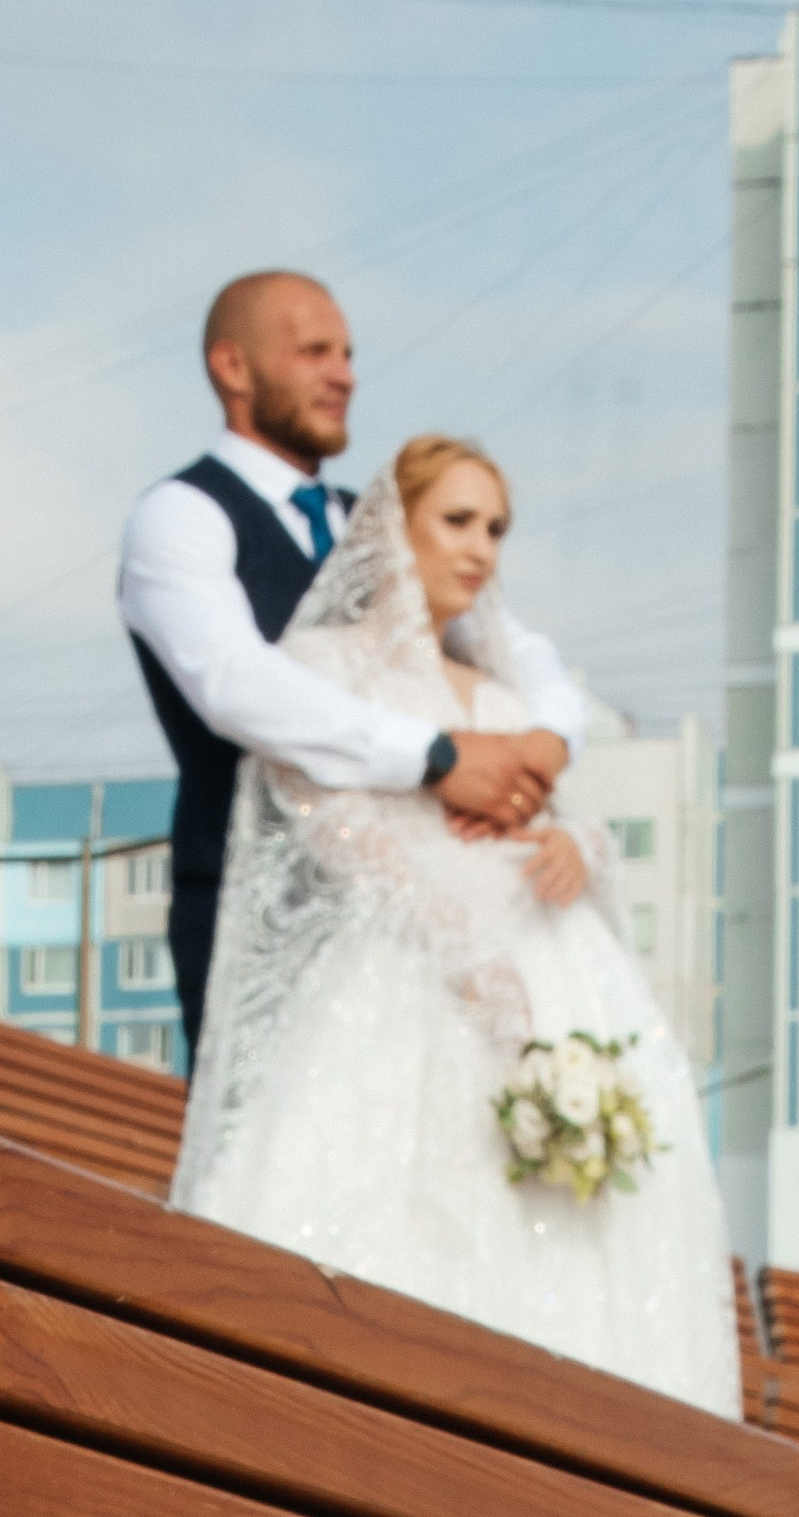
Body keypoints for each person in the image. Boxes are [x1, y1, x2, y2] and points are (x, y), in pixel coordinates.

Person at [169, 436, 742, 1418]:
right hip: (402, 976)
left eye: (496, 530)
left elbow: (558, 817)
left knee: (573, 1252)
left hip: (551, 970)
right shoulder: (324, 667)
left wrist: (578, 847)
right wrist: (458, 949)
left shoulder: (506, 699)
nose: (480, 549)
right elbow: (332, 821)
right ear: (394, 526)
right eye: (457, 521)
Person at [119, 270, 584, 1058]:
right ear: (232, 367)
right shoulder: (182, 516)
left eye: (348, 354)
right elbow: (235, 684)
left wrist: (550, 739)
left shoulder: (371, 525)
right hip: (256, 910)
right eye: (314, 353)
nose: (344, 375)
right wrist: (436, 756)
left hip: (412, 926)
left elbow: (516, 646)